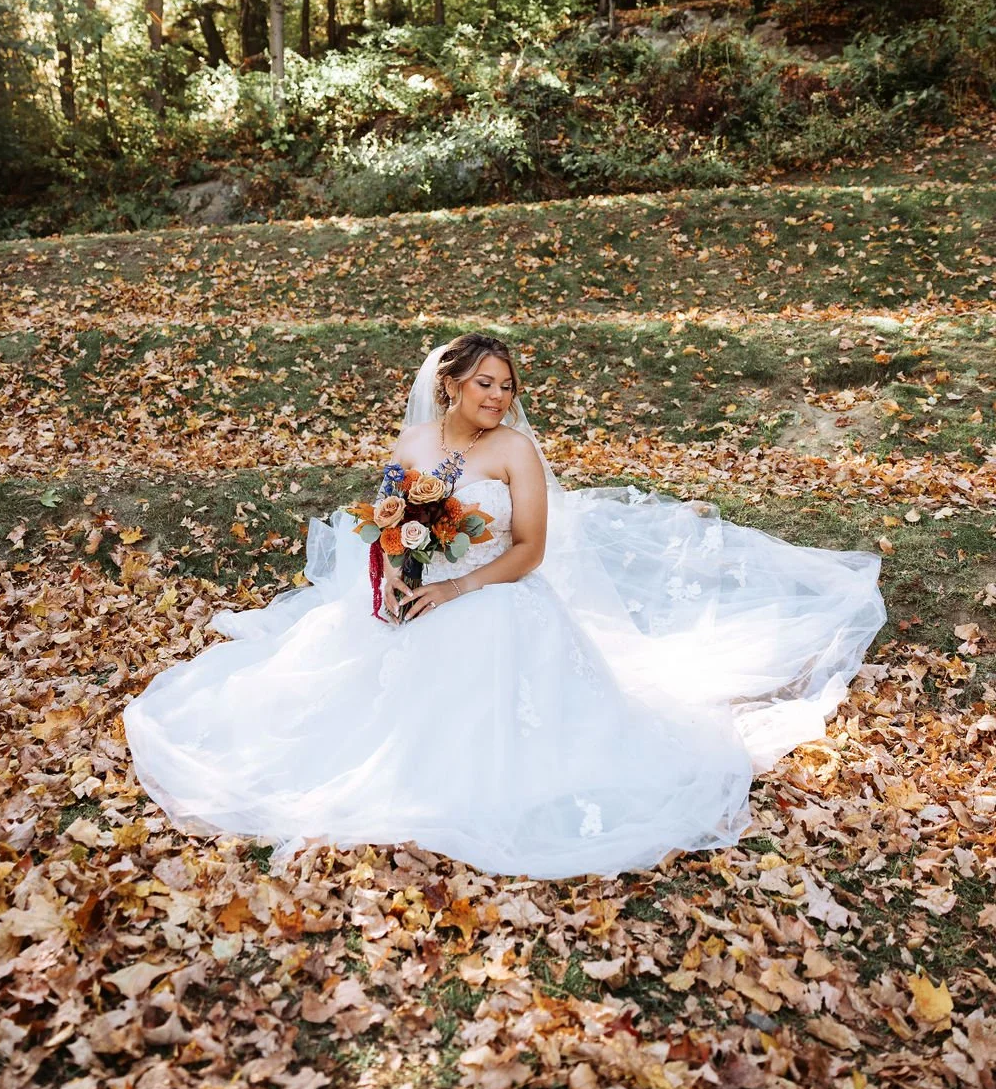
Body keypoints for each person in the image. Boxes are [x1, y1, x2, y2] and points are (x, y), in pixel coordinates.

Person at [124, 333, 886, 880]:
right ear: (451, 381)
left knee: (485, 658)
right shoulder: (414, 443)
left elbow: (529, 549)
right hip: (420, 589)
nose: (498, 396)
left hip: (497, 593)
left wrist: (456, 585)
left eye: (508, 385)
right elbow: (393, 524)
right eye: (486, 382)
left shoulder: (515, 452)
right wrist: (397, 575)